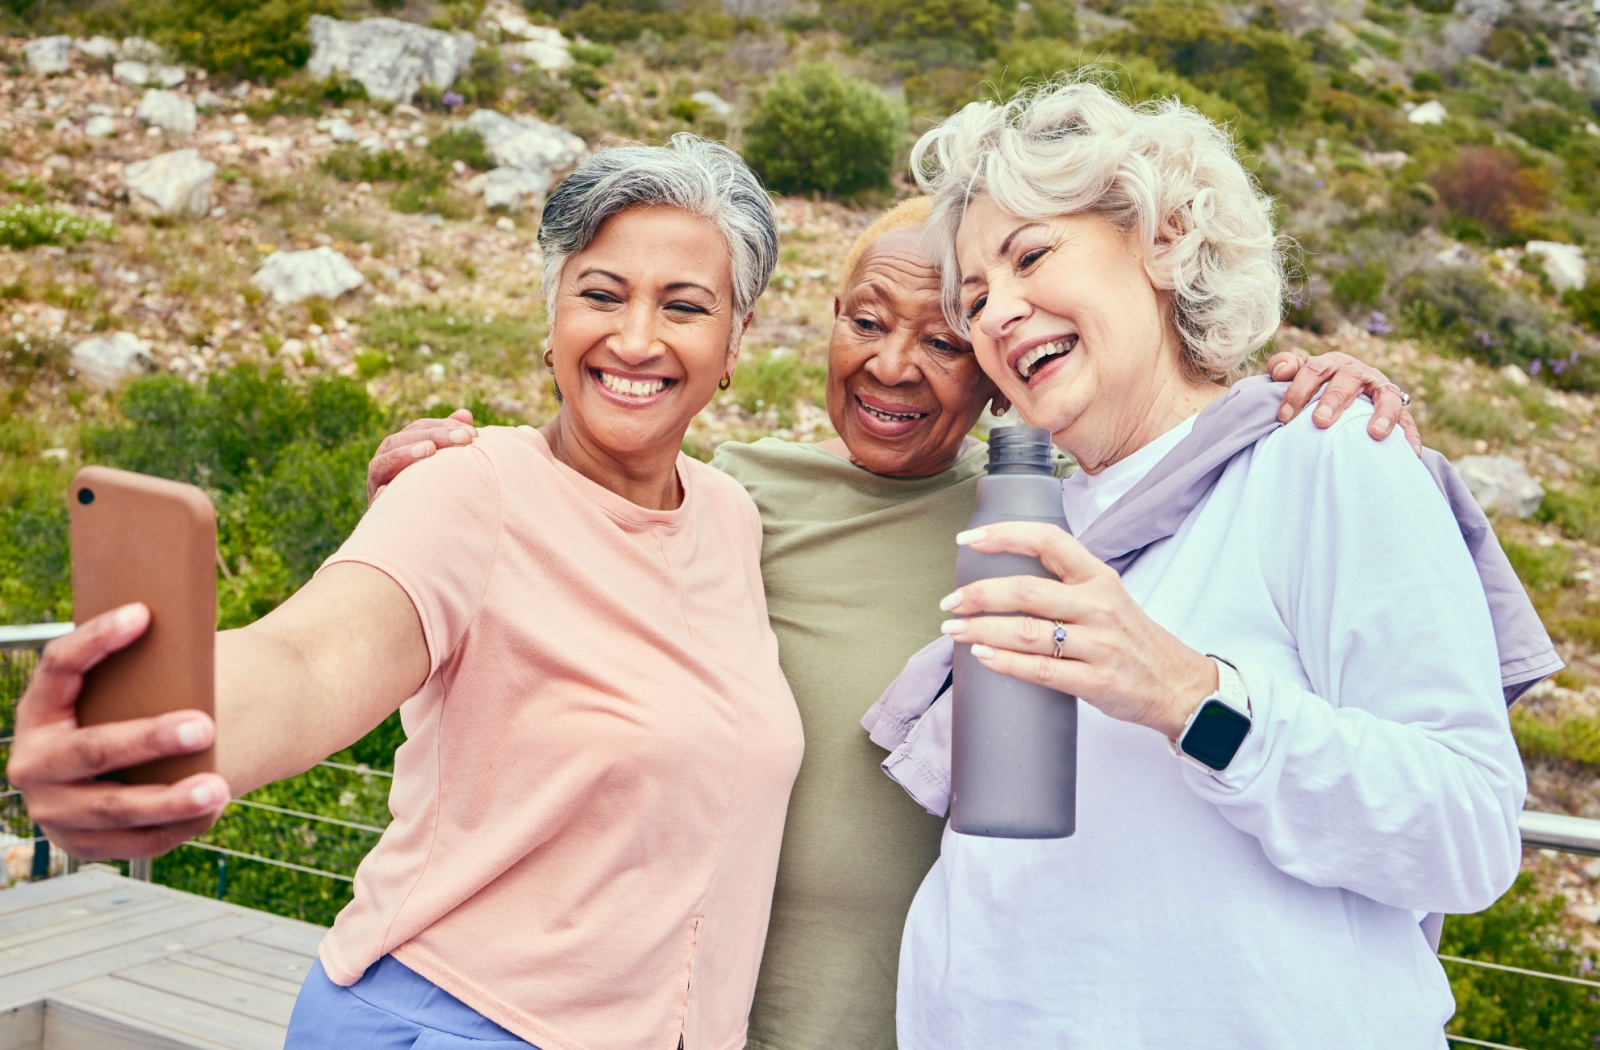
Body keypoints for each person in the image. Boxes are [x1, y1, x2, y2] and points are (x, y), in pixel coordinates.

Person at [370, 199, 1417, 1048]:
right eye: (865, 320)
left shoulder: (1056, 522)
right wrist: (427, 489)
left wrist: (1302, 388)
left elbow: (1186, 451)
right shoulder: (729, 497)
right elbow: (541, 569)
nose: (891, 365)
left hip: (922, 1021)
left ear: (1000, 367)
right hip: (677, 1015)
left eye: (945, 340)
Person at [6, 135, 805, 1050]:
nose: (634, 338)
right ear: (550, 319)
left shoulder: (730, 516)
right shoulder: (470, 486)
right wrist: (151, 739)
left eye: (685, 305)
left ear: (736, 339)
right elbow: (309, 658)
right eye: (601, 294)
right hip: (454, 1021)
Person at [867, 78, 1549, 1048]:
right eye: (973, 300)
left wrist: (1191, 696)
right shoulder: (1033, 516)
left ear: (1164, 234)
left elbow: (1468, 832)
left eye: (1030, 256)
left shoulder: (1324, 454)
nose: (998, 315)